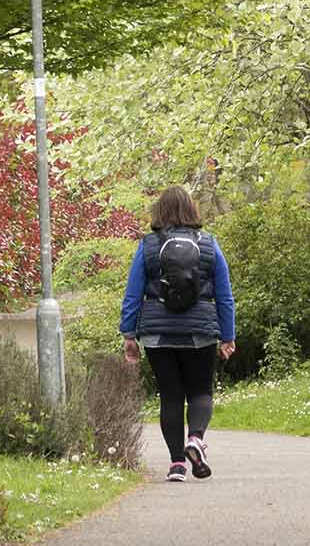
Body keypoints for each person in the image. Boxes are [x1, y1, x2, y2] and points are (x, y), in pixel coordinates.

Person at [120, 185, 236, 482]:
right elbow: (224, 295)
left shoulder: (148, 245)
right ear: (191, 210)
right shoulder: (208, 244)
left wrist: (129, 334)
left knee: (170, 397)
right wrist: (228, 335)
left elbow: (133, 293)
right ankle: (195, 439)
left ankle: (176, 465)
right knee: (200, 392)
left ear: (159, 212)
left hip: (158, 333)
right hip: (200, 330)